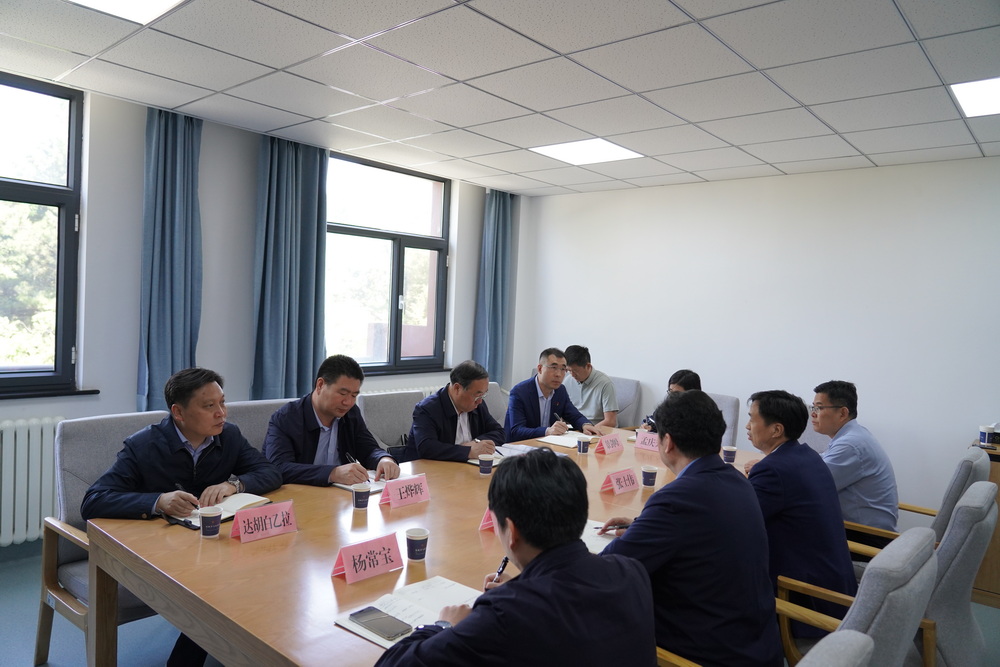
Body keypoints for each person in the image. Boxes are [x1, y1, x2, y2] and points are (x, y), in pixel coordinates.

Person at [375, 448, 656, 666]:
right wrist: (522, 587)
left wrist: (444, 626)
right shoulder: (631, 571)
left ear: (511, 531)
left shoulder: (505, 614)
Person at [81, 367, 282, 667]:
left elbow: (270, 471)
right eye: (209, 406)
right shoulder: (143, 445)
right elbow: (94, 500)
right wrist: (158, 501)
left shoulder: (229, 435)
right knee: (217, 586)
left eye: (222, 402)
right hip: (161, 550)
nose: (221, 413)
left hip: (209, 545)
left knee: (264, 570)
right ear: (178, 412)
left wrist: (234, 485)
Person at [599, 390, 781, 666]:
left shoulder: (677, 499)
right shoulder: (738, 481)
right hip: (757, 645)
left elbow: (607, 571)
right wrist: (642, 527)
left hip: (706, 654)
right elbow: (700, 530)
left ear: (667, 442)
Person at [745, 390, 858, 636]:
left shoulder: (773, 471)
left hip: (805, 600)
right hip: (835, 590)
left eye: (752, 419)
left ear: (776, 430)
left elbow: (739, 523)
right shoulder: (808, 456)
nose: (747, 426)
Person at [263, 354, 400, 486]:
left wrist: (383, 459)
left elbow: (368, 449)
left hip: (340, 494)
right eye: (342, 393)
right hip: (300, 494)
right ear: (320, 385)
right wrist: (332, 473)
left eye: (353, 395)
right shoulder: (286, 418)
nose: (348, 402)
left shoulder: (351, 414)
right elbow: (279, 467)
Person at [811, 380, 898, 535]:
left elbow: (810, 485)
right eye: (813, 407)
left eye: (819, 407)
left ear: (842, 413)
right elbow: (820, 461)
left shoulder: (850, 445)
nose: (813, 413)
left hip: (865, 537)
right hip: (860, 530)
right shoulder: (854, 435)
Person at [402, 360, 505, 462]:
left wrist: (475, 443)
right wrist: (468, 451)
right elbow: (426, 447)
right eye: (477, 395)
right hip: (429, 468)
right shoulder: (427, 409)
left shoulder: (478, 405)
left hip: (465, 466)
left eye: (483, 394)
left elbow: (499, 432)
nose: (480, 401)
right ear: (457, 388)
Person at [504, 348, 600, 442]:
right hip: (519, 446)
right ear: (540, 369)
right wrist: (547, 431)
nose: (559, 374)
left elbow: (574, 415)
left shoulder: (560, 390)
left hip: (548, 445)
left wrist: (585, 425)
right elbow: (516, 431)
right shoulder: (520, 392)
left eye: (563, 369)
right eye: (553, 368)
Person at [564, 344, 618, 428]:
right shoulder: (567, 381)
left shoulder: (605, 384)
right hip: (573, 429)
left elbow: (610, 421)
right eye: (569, 370)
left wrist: (589, 429)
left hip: (596, 430)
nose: (572, 375)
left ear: (588, 366)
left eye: (575, 371)